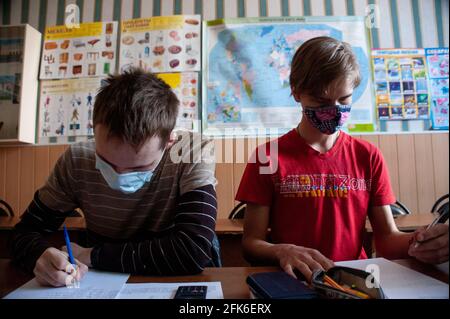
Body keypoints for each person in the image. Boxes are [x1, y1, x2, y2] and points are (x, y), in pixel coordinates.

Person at [236, 37, 448, 281]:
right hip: (293, 280)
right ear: (295, 91)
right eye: (321, 101)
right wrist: (282, 250)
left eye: (344, 99)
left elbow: (387, 240)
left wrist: (423, 241)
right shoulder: (267, 157)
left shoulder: (367, 156)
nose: (335, 110)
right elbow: (251, 244)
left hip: (354, 282)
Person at [10, 68, 218, 287]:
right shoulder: (78, 159)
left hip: (177, 280)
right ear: (94, 130)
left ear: (169, 142)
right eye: (106, 162)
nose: (119, 176)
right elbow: (23, 233)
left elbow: (193, 250)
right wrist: (38, 256)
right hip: (100, 282)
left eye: (139, 167)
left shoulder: (191, 151)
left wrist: (92, 255)